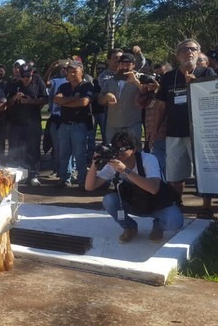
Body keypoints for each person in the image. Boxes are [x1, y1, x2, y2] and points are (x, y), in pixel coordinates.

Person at [155, 39, 217, 219]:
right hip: (174, 132)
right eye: (184, 50)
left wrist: (195, 83)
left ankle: (206, 207)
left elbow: (213, 98)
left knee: (203, 173)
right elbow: (161, 106)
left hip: (200, 134)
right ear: (177, 55)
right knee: (175, 173)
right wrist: (155, 130)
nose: (189, 52)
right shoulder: (168, 77)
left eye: (193, 49)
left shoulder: (207, 72)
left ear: (198, 53)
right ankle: (176, 203)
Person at [85, 131, 183, 243]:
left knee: (175, 222)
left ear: (134, 149)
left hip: (157, 205)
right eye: (116, 149)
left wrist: (125, 171)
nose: (118, 154)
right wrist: (94, 163)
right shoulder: (114, 165)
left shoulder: (148, 160)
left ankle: (158, 226)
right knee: (109, 200)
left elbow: (154, 188)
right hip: (133, 203)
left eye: (122, 149)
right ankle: (130, 227)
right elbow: (89, 186)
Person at [53, 60, 94, 189]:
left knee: (80, 154)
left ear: (81, 72)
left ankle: (82, 181)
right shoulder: (64, 86)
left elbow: (83, 102)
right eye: (69, 70)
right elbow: (56, 100)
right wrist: (74, 98)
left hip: (79, 125)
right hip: (64, 124)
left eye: (74, 70)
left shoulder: (86, 86)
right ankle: (64, 178)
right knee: (63, 154)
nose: (71, 73)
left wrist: (65, 101)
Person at [5, 64, 48, 186]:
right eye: (23, 76)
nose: (25, 79)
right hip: (16, 122)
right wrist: (15, 98)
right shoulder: (14, 84)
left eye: (27, 76)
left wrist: (30, 101)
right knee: (16, 149)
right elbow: (7, 103)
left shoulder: (38, 82)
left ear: (32, 73)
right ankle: (18, 174)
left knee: (33, 149)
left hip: (32, 122)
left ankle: (34, 174)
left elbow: (45, 99)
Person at [97, 53, 144, 143]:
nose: (125, 67)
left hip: (132, 123)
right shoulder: (110, 81)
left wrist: (136, 82)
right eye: (122, 64)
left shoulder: (141, 78)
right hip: (113, 124)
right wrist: (106, 97)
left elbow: (147, 94)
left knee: (133, 153)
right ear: (119, 65)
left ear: (133, 65)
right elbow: (100, 100)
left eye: (128, 65)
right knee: (111, 153)